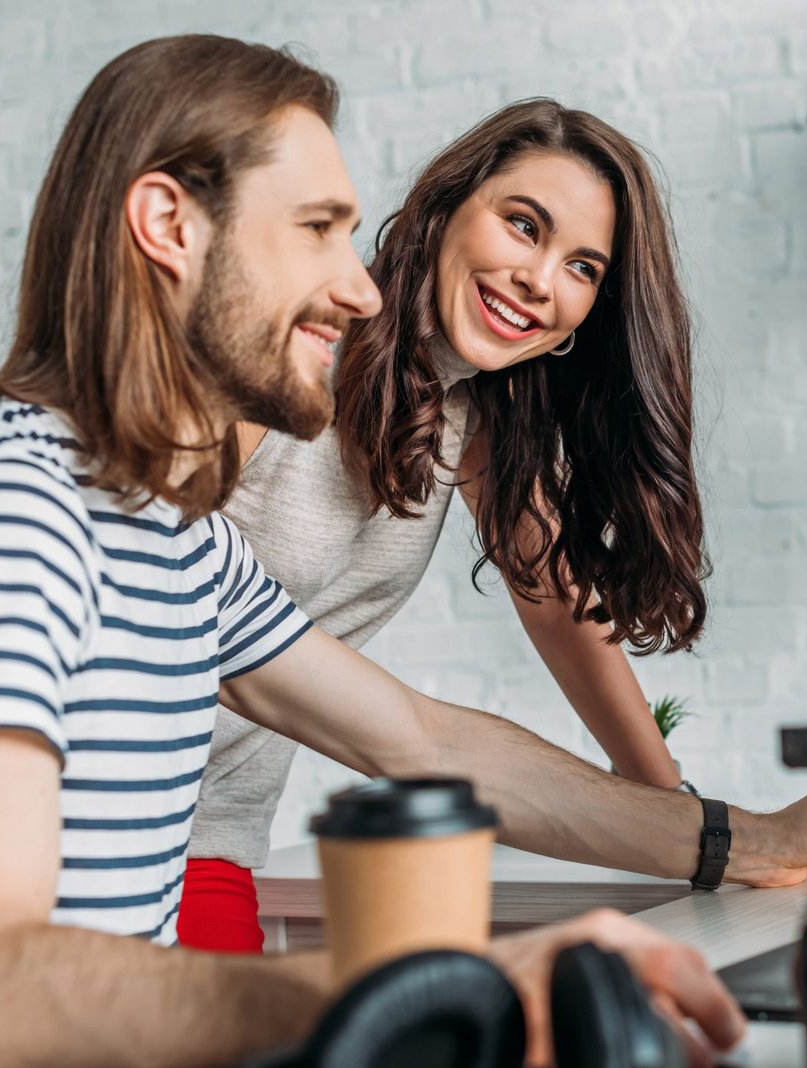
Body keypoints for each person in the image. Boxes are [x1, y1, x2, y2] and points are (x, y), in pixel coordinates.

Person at [0, 35, 807, 1068]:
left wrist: (741, 838)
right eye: (316, 231)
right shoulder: (2, 511)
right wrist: (445, 987)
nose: (358, 290)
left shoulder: (175, 546)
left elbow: (428, 745)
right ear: (167, 224)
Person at [182, 99, 719, 952]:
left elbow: (562, 611)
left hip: (211, 839)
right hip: (86, 820)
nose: (540, 279)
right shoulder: (292, 351)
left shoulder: (472, 417)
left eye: (583, 267)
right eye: (522, 225)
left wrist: (691, 834)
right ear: (443, 211)